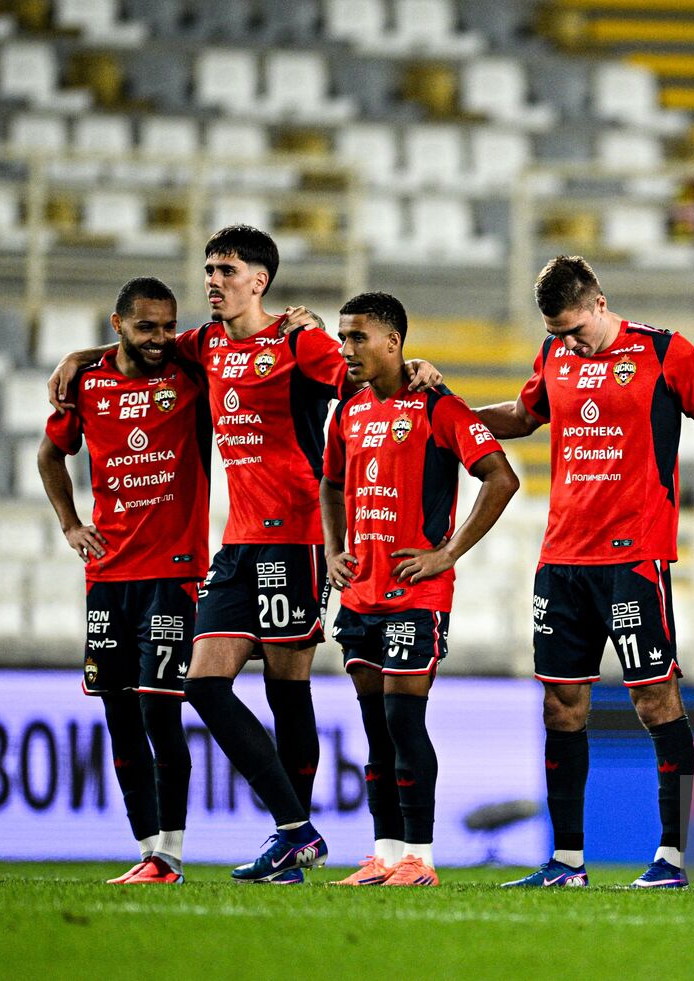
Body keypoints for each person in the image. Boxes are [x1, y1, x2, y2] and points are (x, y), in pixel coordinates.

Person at [46, 226, 440, 882]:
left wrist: (415, 371)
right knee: (201, 683)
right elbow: (145, 343)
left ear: (259, 280)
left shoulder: (298, 340)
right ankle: (297, 829)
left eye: (226, 270)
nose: (212, 280)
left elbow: (359, 372)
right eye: (208, 268)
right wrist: (81, 355)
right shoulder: (202, 344)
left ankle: (290, 839)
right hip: (238, 544)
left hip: (297, 536)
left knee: (288, 692)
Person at [474, 255, 694, 888]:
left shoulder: (665, 351)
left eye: (574, 329)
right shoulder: (555, 354)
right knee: (561, 707)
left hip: (634, 558)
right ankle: (566, 863)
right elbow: (523, 414)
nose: (567, 342)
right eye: (556, 333)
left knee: (655, 700)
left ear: (600, 303)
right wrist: (451, 418)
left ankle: (672, 859)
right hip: (562, 559)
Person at [321, 292, 518, 887]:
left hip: (416, 595)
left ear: (393, 342)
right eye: (343, 337)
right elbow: (330, 484)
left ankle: (421, 858)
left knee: (405, 722)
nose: (347, 348)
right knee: (376, 731)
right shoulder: (346, 409)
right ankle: (383, 856)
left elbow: (501, 478)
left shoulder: (438, 406)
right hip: (359, 593)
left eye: (358, 337)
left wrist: (446, 554)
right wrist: (333, 551)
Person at [38, 277, 208, 884]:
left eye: (169, 326)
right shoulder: (86, 383)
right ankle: (147, 849)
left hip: (174, 572)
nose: (161, 338)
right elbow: (49, 454)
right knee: (119, 714)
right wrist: (70, 524)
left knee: (162, 713)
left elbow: (244, 346)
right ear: (119, 326)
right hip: (109, 573)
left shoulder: (191, 374)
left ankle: (172, 854)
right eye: (147, 328)